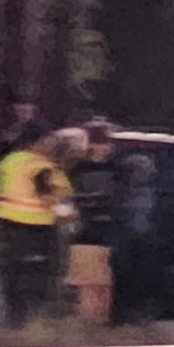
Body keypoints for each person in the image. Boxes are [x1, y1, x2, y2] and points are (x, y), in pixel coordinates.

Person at [0, 124, 67, 329]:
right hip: (36, 225)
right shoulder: (39, 165)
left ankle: (13, 318)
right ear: (39, 141)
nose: (52, 145)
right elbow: (47, 198)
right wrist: (65, 209)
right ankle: (35, 320)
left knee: (13, 273)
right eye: (49, 140)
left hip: (6, 223)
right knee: (38, 275)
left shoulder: (8, 161)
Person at [65, 122, 120, 323]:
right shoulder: (77, 171)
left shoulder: (118, 170)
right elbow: (70, 200)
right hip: (86, 234)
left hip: (112, 235)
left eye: (106, 142)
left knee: (106, 286)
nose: (104, 147)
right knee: (88, 284)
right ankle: (89, 323)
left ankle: (101, 323)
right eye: (100, 142)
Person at [110, 148, 163, 325]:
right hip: (127, 238)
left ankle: (133, 314)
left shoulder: (151, 191)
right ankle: (123, 315)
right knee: (124, 277)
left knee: (138, 277)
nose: (140, 173)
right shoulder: (121, 190)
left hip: (142, 238)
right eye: (136, 169)